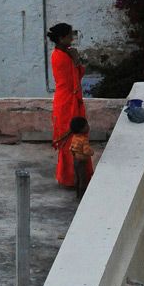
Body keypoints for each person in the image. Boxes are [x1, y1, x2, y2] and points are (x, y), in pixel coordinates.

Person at [48, 23, 86, 187]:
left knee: (77, 140)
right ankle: (69, 178)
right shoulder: (59, 56)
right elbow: (73, 81)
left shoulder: (65, 53)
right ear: (61, 38)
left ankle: (77, 178)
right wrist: (75, 60)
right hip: (66, 102)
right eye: (70, 35)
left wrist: (76, 60)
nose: (72, 38)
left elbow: (78, 76)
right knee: (69, 141)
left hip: (72, 100)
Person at [65, 115, 95, 196]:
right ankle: (82, 194)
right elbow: (86, 151)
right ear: (82, 129)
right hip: (81, 161)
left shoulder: (74, 137)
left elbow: (70, 148)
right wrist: (92, 152)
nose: (88, 127)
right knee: (83, 178)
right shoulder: (84, 139)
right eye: (87, 125)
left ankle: (77, 192)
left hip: (75, 159)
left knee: (77, 176)